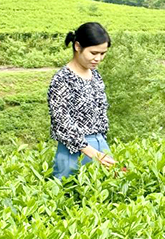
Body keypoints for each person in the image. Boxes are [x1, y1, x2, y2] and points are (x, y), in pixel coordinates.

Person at [48, 22, 116, 179]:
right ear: (77, 46)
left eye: (102, 53)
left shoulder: (96, 76)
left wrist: (101, 149)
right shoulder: (62, 79)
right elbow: (61, 122)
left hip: (100, 146)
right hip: (74, 151)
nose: (98, 58)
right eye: (93, 53)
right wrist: (92, 152)